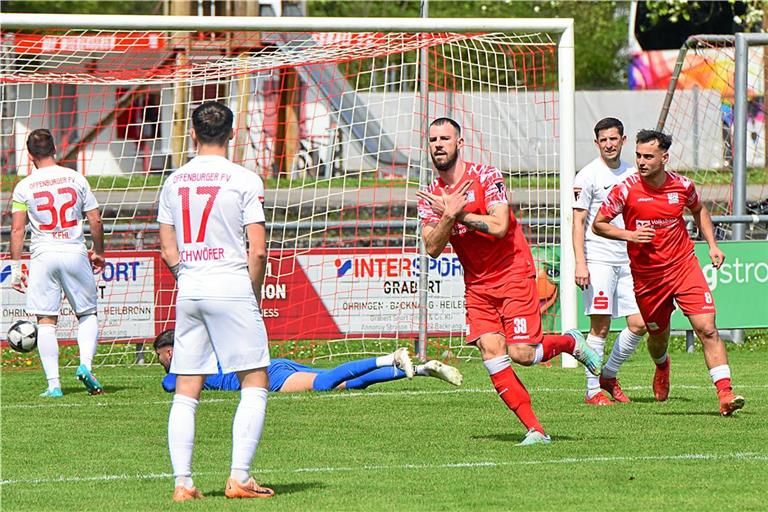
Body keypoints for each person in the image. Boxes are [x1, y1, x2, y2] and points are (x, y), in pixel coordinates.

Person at [416, 117, 601, 446]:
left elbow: (500, 226)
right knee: (491, 351)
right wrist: (447, 214)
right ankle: (536, 430)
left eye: (445, 138)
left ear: (460, 143)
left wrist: (459, 214)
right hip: (477, 285)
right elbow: (432, 248)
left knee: (522, 354)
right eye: (433, 140)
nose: (438, 145)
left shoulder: (485, 176)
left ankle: (570, 343)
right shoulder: (430, 195)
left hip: (513, 271)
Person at [157, 101, 273, 502]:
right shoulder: (244, 178)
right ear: (232, 134)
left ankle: (183, 483)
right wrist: (251, 294)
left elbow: (167, 246)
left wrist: (188, 275)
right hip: (230, 283)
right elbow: (257, 250)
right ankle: (239, 477)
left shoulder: (173, 181)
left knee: (187, 388)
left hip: (190, 286)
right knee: (255, 380)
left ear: (192, 134)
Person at [593, 129, 744, 416]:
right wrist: (629, 235)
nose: (641, 161)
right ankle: (662, 365)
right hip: (648, 277)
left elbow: (699, 209)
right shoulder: (625, 190)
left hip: (684, 266)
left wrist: (712, 245)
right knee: (658, 338)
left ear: (664, 158)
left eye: (648, 156)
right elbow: (598, 224)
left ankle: (725, 393)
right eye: (638, 155)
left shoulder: (683, 186)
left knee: (707, 328)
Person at [10, 129, 105, 398]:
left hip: (43, 255)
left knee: (46, 320)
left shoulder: (24, 186)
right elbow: (95, 220)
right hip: (74, 251)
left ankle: (54, 385)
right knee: (86, 314)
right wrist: (98, 251)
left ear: (30, 156)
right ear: (55, 149)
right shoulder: (76, 178)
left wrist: (16, 269)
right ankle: (85, 365)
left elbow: (18, 230)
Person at [572, 118, 647, 405]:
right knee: (600, 327)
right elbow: (578, 223)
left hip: (629, 261)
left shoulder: (633, 173)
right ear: (597, 143)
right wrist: (581, 263)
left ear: (623, 140)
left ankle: (609, 374)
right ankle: (592, 391)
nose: (609, 144)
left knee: (640, 323)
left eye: (613, 139)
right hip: (599, 259)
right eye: (603, 140)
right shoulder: (587, 176)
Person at [152, 329, 463, 393]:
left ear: (169, 353)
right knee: (346, 384)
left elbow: (169, 385)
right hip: (274, 364)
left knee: (324, 384)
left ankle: (390, 357)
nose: (162, 363)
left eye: (161, 357)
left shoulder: (183, 369)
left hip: (265, 378)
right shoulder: (210, 349)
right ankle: (422, 369)